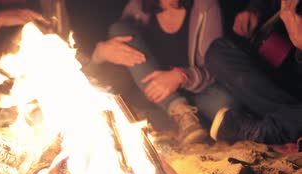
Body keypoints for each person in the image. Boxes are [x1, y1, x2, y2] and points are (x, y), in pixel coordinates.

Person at [91, 0, 235, 144]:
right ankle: (180, 112)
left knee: (222, 102)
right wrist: (100, 53)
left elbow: (215, 67)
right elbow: (113, 69)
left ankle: (173, 122)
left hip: (196, 97)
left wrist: (182, 76)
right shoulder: (137, 8)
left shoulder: (205, 6)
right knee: (119, 30)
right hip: (153, 96)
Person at [206, 0, 302, 146]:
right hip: (279, 67)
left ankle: (264, 130)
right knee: (218, 53)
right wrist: (255, 10)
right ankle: (285, 123)